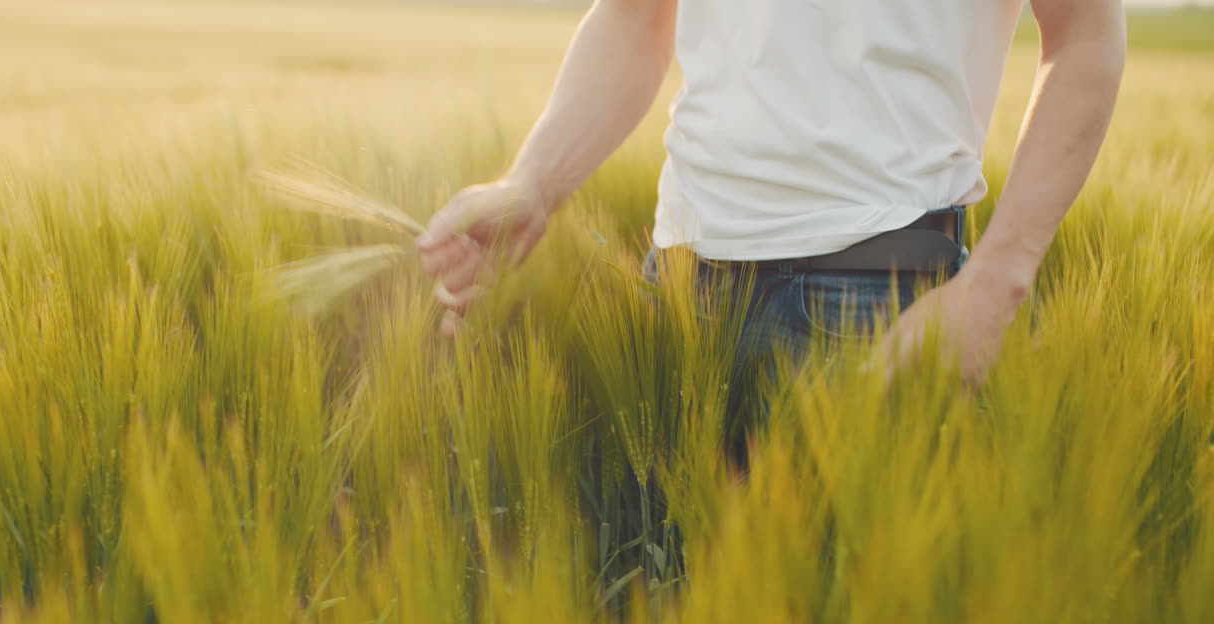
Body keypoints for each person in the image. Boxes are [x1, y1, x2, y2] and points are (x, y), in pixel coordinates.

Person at [416, 0, 1126, 389]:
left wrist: (997, 281)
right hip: (678, 286)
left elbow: (1083, 29)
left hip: (876, 296)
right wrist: (533, 184)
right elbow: (637, 14)